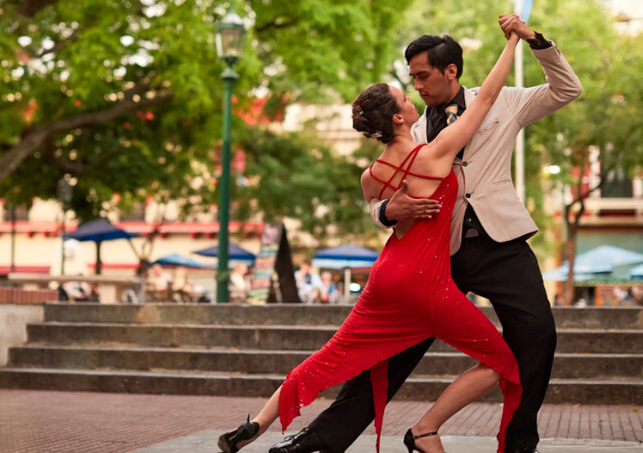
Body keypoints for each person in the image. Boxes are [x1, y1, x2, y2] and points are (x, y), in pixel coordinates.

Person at [270, 14, 581, 453]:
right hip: (434, 255)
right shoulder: (408, 126)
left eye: (422, 75)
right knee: (390, 353)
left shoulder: (502, 101)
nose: (416, 85)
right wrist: (385, 211)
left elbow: (567, 89)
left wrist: (537, 42)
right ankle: (322, 439)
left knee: (538, 335)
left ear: (450, 70)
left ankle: (516, 442)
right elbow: (378, 198)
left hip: (501, 245)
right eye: (411, 77)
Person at [218, 20, 523, 453]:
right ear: (398, 117)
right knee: (501, 362)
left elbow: (379, 210)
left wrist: (387, 209)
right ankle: (426, 429)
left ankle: (255, 425)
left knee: (330, 356)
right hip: (428, 284)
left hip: (384, 280)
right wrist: (513, 41)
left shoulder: (371, 176)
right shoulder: (435, 154)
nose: (412, 92)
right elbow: (487, 95)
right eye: (404, 95)